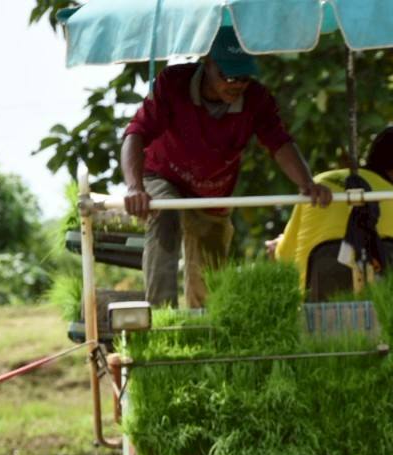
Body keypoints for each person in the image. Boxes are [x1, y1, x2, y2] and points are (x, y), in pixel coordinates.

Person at [120, 26, 332, 308]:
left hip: (212, 190)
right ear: (207, 63)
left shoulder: (256, 99)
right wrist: (135, 187)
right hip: (162, 174)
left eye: (243, 78)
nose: (236, 84)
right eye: (228, 76)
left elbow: (279, 143)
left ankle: (204, 335)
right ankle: (160, 319)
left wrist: (307, 183)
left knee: (209, 279)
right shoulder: (173, 83)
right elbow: (135, 134)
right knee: (165, 212)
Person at [271, 126, 393, 292]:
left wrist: (277, 246)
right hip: (380, 314)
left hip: (312, 312)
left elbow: (284, 256)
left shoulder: (318, 187)